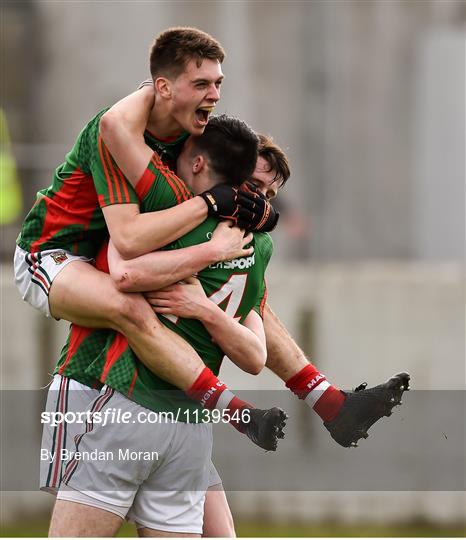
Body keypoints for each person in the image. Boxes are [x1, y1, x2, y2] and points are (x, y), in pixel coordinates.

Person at [48, 114, 287, 537]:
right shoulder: (233, 237)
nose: (261, 205)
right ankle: (235, 410)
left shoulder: (225, 236)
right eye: (253, 188)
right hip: (151, 411)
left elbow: (255, 355)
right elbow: (256, 355)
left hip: (154, 409)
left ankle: (235, 410)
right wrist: (209, 262)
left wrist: (204, 307)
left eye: (269, 195)